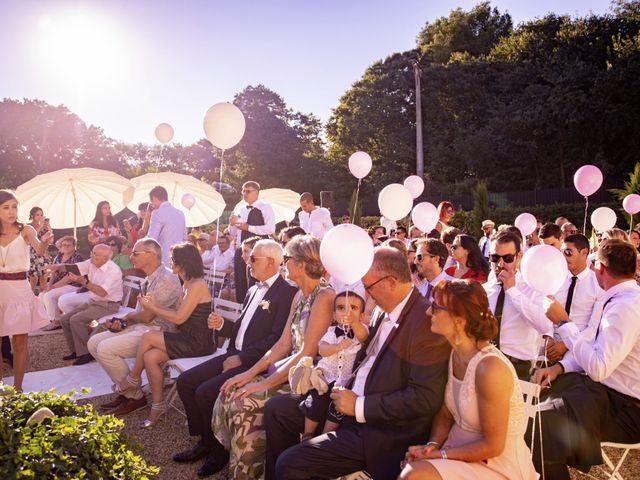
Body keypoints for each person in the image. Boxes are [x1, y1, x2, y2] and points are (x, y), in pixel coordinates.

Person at [266, 246, 451, 480]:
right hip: (344, 403)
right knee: (276, 411)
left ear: (392, 281)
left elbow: (425, 398)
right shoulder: (383, 310)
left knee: (291, 464)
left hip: (378, 429)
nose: (366, 293)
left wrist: (360, 406)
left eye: (369, 286)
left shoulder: (425, 321)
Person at [207, 235, 334, 479]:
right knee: (232, 390)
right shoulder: (299, 295)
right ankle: (241, 469)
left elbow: (307, 353)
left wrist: (263, 383)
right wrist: (250, 373)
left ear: (302, 264)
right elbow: (283, 343)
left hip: (309, 381)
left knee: (243, 402)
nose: (283, 264)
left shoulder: (325, 297)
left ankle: (252, 473)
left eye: (287, 259)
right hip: (289, 371)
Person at [173, 239, 297, 476]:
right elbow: (242, 328)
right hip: (233, 353)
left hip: (255, 361)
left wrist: (242, 359)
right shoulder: (253, 288)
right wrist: (222, 325)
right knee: (185, 382)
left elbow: (275, 339)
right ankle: (206, 440)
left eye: (253, 258)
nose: (247, 262)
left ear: (271, 262)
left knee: (206, 392)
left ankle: (219, 450)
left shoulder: (287, 292)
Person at [398, 280, 538, 480]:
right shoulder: (454, 354)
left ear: (459, 320)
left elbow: (493, 446)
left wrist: (439, 456)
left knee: (414, 475)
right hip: (456, 451)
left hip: (494, 465)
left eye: (436, 307)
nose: (429, 312)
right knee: (411, 466)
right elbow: (446, 413)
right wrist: (431, 447)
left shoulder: (490, 368)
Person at [531, 239, 640, 479]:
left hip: (627, 408)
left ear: (600, 268)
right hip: (601, 393)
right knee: (533, 406)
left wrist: (564, 323)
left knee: (539, 426)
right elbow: (592, 346)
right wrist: (560, 367)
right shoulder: (615, 298)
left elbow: (599, 367)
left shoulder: (627, 306)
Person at [113, 242, 214, 427]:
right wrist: (152, 304)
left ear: (184, 262)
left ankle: (133, 378)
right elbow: (177, 313)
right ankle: (158, 405)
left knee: (148, 336)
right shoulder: (188, 284)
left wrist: (153, 307)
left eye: (173, 259)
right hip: (186, 338)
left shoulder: (198, 285)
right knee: (150, 357)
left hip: (198, 342)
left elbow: (179, 318)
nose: (170, 262)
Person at [88, 238, 181, 416]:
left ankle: (135, 396)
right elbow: (141, 315)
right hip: (144, 327)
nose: (131, 256)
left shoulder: (166, 278)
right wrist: (122, 321)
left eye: (135, 253)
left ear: (151, 255)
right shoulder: (150, 276)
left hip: (158, 333)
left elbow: (147, 315)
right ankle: (129, 393)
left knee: (105, 349)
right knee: (93, 343)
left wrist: (126, 320)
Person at [298, 289, 369, 441]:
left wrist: (354, 322)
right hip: (326, 377)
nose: (346, 312)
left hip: (345, 382)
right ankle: (307, 434)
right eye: (341, 308)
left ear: (362, 316)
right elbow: (322, 349)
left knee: (336, 409)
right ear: (334, 315)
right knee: (315, 400)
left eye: (353, 308)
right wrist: (337, 347)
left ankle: (324, 437)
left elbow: (364, 337)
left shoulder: (360, 332)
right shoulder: (331, 332)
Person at [0, 190, 53, 391]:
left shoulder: (26, 229)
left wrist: (46, 241)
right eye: (6, 207)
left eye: (14, 206)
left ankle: (18, 388)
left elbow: (39, 250)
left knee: (20, 342)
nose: (12, 211)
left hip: (20, 289)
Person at [483, 230, 552, 379]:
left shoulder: (532, 288)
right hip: (484, 361)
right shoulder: (484, 290)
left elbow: (545, 326)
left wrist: (512, 291)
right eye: (495, 258)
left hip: (517, 366)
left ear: (519, 257)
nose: (500, 264)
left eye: (507, 258)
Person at [55, 244, 124, 365]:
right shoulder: (93, 262)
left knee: (76, 320)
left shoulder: (113, 271)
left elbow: (102, 292)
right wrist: (56, 267)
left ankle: (86, 353)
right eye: (93, 252)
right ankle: (76, 351)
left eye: (96, 254)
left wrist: (83, 281)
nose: (92, 255)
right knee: (65, 319)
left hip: (108, 305)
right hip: (93, 301)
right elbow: (75, 267)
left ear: (105, 258)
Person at [541, 234, 602, 364]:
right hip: (548, 347)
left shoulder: (597, 284)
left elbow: (593, 327)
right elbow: (544, 309)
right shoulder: (553, 278)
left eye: (568, 252)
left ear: (584, 253)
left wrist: (565, 345)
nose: (563, 257)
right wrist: (548, 337)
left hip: (579, 351)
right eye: (562, 252)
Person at [229, 181, 276, 303]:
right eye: (243, 191)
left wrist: (249, 227)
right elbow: (233, 233)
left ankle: (255, 308)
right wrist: (232, 224)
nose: (245, 193)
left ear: (257, 192)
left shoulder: (265, 207)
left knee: (255, 281)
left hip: (258, 252)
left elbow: (271, 229)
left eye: (248, 191)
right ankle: (241, 309)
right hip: (241, 249)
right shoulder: (240, 209)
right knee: (240, 281)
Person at [39, 236, 84, 330]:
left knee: (49, 295)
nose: (66, 247)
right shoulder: (59, 256)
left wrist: (53, 287)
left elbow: (69, 277)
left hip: (73, 285)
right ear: (60, 246)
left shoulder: (77, 257)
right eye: (64, 245)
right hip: (60, 285)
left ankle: (56, 321)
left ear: (74, 246)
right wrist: (49, 285)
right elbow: (54, 272)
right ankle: (51, 319)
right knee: (42, 295)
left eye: (69, 245)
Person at [146, 186, 186, 267]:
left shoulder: (157, 213)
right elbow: (184, 237)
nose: (151, 203)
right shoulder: (181, 213)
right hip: (179, 258)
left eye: (151, 200)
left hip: (163, 258)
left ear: (154, 197)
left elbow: (152, 238)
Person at [27, 206, 52, 292]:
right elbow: (30, 237)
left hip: (44, 254)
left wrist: (50, 230)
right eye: (37, 215)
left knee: (44, 277)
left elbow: (51, 241)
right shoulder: (28, 227)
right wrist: (40, 226)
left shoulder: (44, 227)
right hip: (33, 254)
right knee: (33, 277)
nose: (40, 217)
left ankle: (42, 298)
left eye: (41, 215)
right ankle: (30, 297)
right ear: (32, 216)